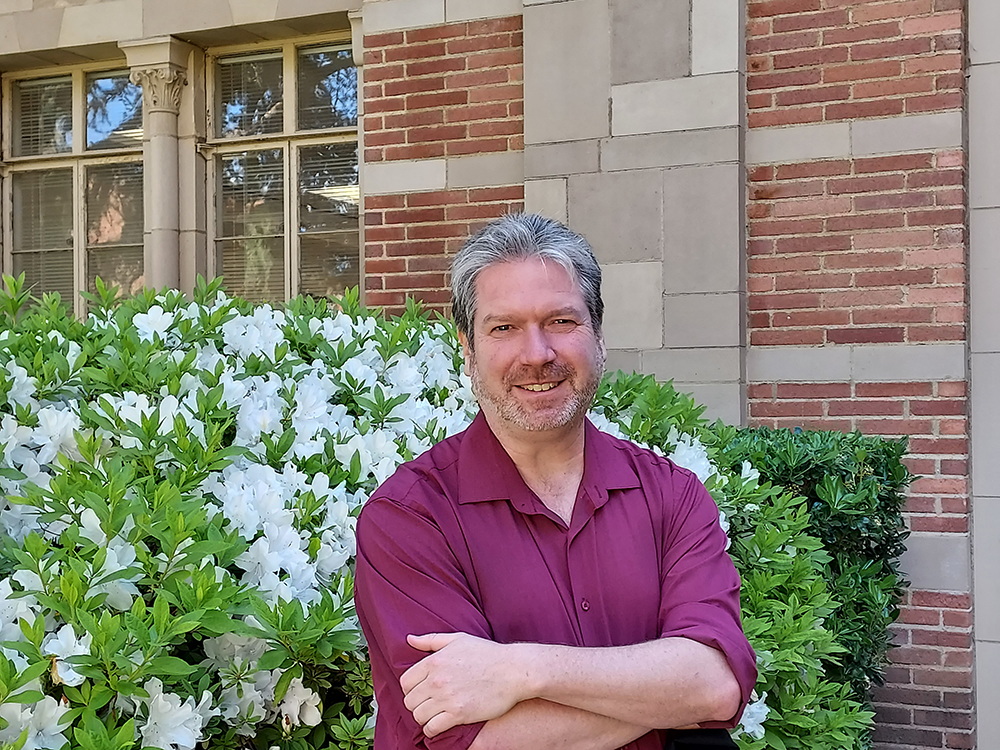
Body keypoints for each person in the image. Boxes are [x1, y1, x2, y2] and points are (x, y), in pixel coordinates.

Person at [354, 213, 757, 750]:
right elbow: (474, 741)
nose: (537, 353)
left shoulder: (671, 495)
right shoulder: (409, 517)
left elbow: (715, 686)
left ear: (598, 336)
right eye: (504, 327)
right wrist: (664, 695)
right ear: (467, 350)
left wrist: (523, 670)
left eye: (562, 322)